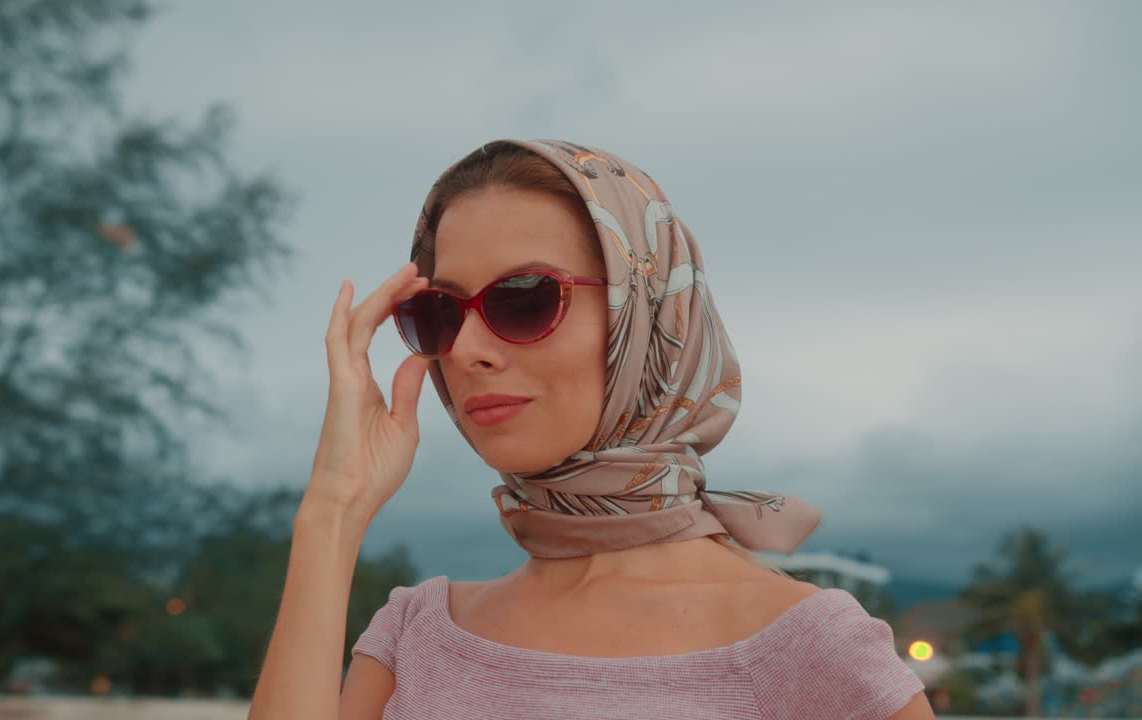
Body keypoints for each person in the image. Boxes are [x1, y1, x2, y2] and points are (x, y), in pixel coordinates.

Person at [248, 139, 935, 719]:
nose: (464, 350)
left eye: (523, 298)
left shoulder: (808, 651)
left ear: (646, 316)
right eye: (441, 313)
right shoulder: (415, 636)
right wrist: (333, 511)